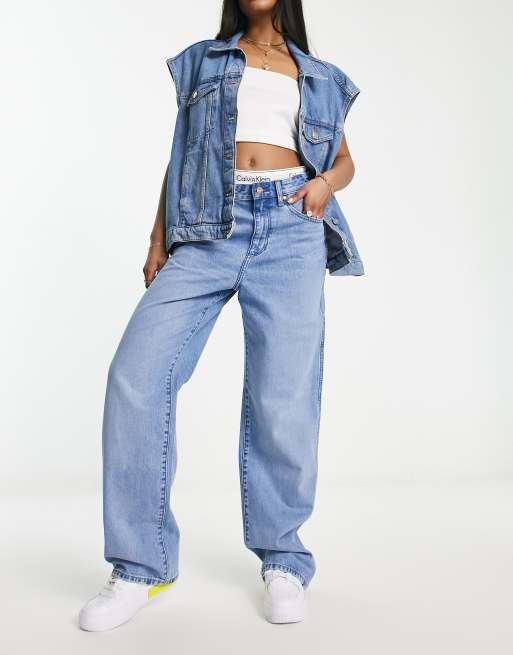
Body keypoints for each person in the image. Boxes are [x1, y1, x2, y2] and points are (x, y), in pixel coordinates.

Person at [78, 0, 364, 631]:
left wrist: (325, 185)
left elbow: (343, 159)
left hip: (292, 227)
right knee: (136, 376)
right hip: (208, 228)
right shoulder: (205, 61)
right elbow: (181, 155)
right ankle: (140, 567)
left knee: (282, 395)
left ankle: (283, 560)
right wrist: (158, 240)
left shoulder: (317, 75)